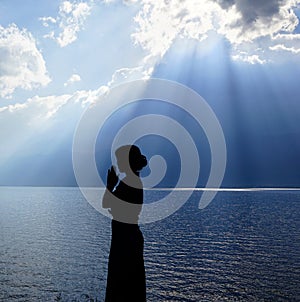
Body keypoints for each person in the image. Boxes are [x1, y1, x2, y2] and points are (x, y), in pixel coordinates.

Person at [103, 145, 147, 302]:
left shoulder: (129, 183)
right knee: (131, 287)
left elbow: (105, 202)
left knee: (121, 285)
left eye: (120, 159)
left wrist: (110, 184)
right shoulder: (132, 181)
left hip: (125, 240)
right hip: (128, 237)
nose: (118, 163)